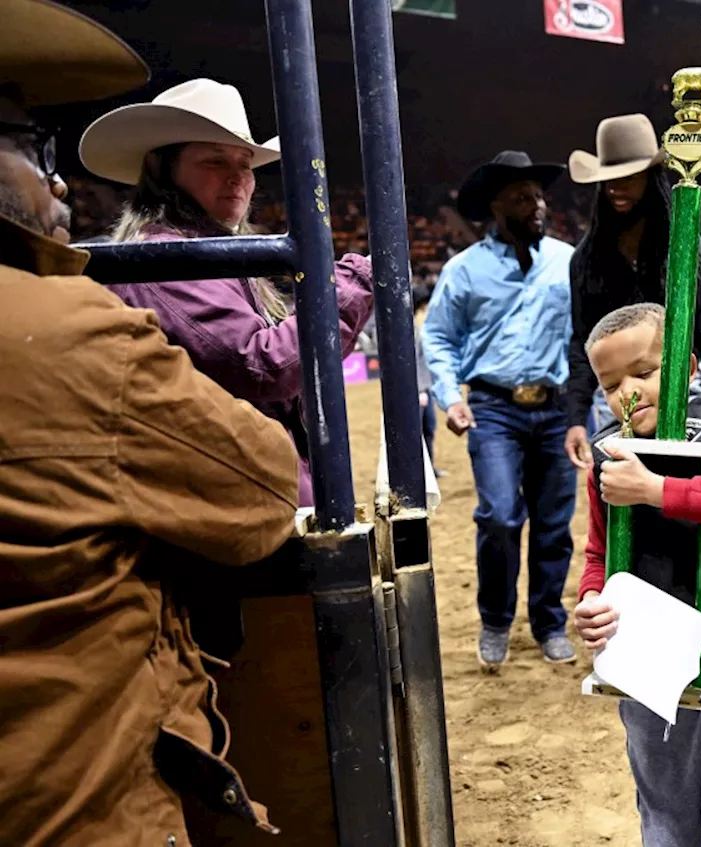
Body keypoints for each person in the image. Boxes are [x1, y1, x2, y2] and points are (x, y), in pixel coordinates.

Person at [0, 3, 299, 843]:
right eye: (29, 146)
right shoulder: (74, 323)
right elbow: (264, 451)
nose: (54, 180)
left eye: (247, 166)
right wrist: (345, 289)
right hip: (70, 789)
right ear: (167, 171)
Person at [78, 77, 376, 508]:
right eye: (214, 162)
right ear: (163, 169)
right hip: (232, 488)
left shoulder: (201, 253)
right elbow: (262, 364)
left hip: (237, 477)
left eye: (245, 164)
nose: (238, 177)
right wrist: (355, 282)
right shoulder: (168, 258)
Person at [572, 303, 701, 846]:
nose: (629, 393)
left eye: (644, 373)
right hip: (648, 666)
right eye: (611, 383)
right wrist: (593, 599)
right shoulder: (608, 455)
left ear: (687, 366)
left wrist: (656, 491)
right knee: (667, 825)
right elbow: (599, 552)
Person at [424, 150, 578, 669]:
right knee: (498, 515)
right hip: (494, 407)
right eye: (520, 196)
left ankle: (549, 622)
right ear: (495, 205)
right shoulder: (463, 271)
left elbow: (584, 336)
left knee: (555, 524)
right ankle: (495, 620)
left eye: (537, 195)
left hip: (557, 409)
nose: (534, 204)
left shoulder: (567, 260)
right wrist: (449, 395)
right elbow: (440, 337)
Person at [563, 113, 701, 466]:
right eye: (609, 179)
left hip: (684, 393)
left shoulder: (687, 250)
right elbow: (582, 342)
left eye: (629, 177)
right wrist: (575, 419)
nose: (616, 188)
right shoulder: (585, 260)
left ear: (651, 177)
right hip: (615, 402)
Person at [414, 284, 439, 470]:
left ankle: (429, 468)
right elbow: (413, 361)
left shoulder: (419, 326)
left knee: (429, 429)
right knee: (419, 432)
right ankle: (421, 470)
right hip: (419, 389)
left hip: (426, 386)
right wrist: (421, 389)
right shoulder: (412, 328)